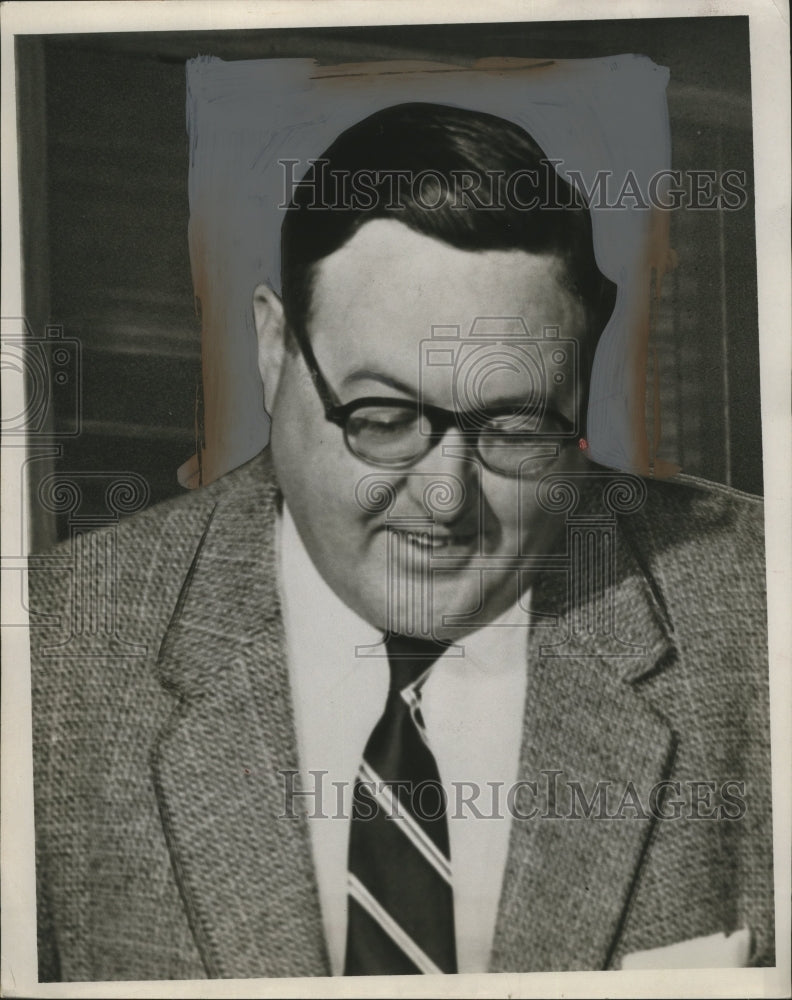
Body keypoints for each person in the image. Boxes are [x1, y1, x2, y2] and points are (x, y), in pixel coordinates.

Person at [29, 103, 774, 982]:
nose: (447, 496)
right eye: (381, 418)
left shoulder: (764, 609)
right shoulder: (48, 651)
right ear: (274, 350)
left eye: (516, 424)